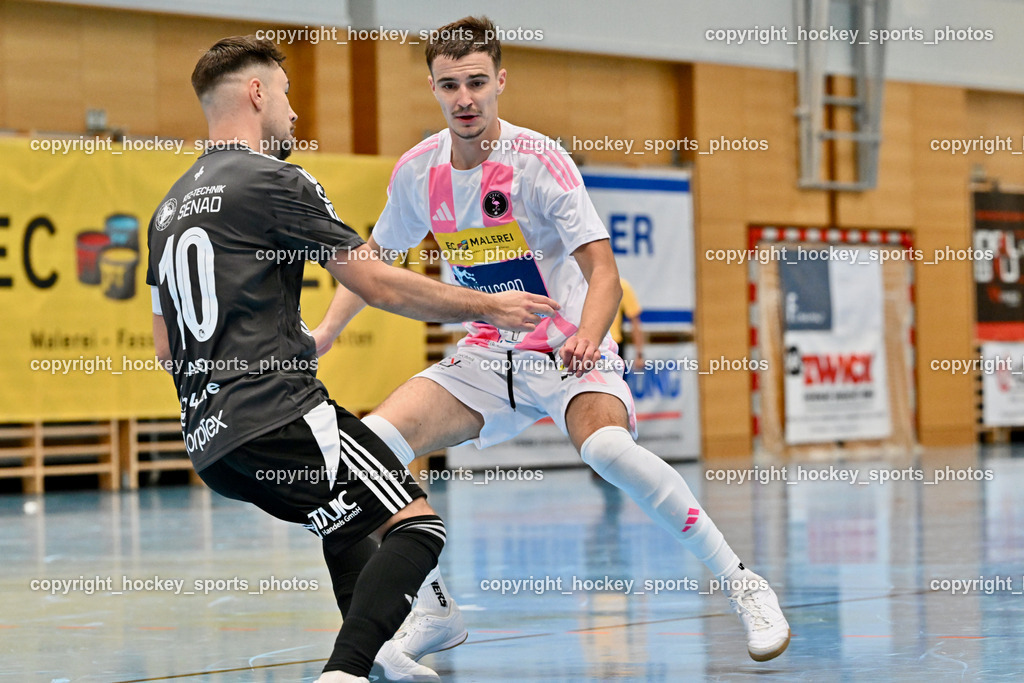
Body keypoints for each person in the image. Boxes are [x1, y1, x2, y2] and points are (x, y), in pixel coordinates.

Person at [313, 16, 791, 675]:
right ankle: (434, 607)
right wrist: (324, 333)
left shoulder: (539, 161)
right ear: (433, 88)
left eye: (477, 82)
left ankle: (742, 582)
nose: (464, 98)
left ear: (500, 81)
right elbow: (375, 262)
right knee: (367, 451)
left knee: (609, 451)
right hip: (487, 356)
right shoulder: (419, 171)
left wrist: (590, 334)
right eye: (450, 85)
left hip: (567, 347)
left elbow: (603, 270)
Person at [147, 36, 558, 683]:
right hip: (278, 410)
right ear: (256, 94)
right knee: (419, 526)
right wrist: (487, 305)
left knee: (342, 522)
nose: (293, 112)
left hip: (209, 443)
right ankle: (344, 671)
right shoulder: (275, 179)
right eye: (286, 95)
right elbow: (378, 282)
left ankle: (382, 654)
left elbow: (166, 346)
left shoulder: (166, 210)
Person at [610, 277, 645, 367]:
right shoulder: (584, 285)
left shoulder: (621, 286)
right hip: (589, 343)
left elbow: (635, 322)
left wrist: (639, 354)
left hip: (613, 344)